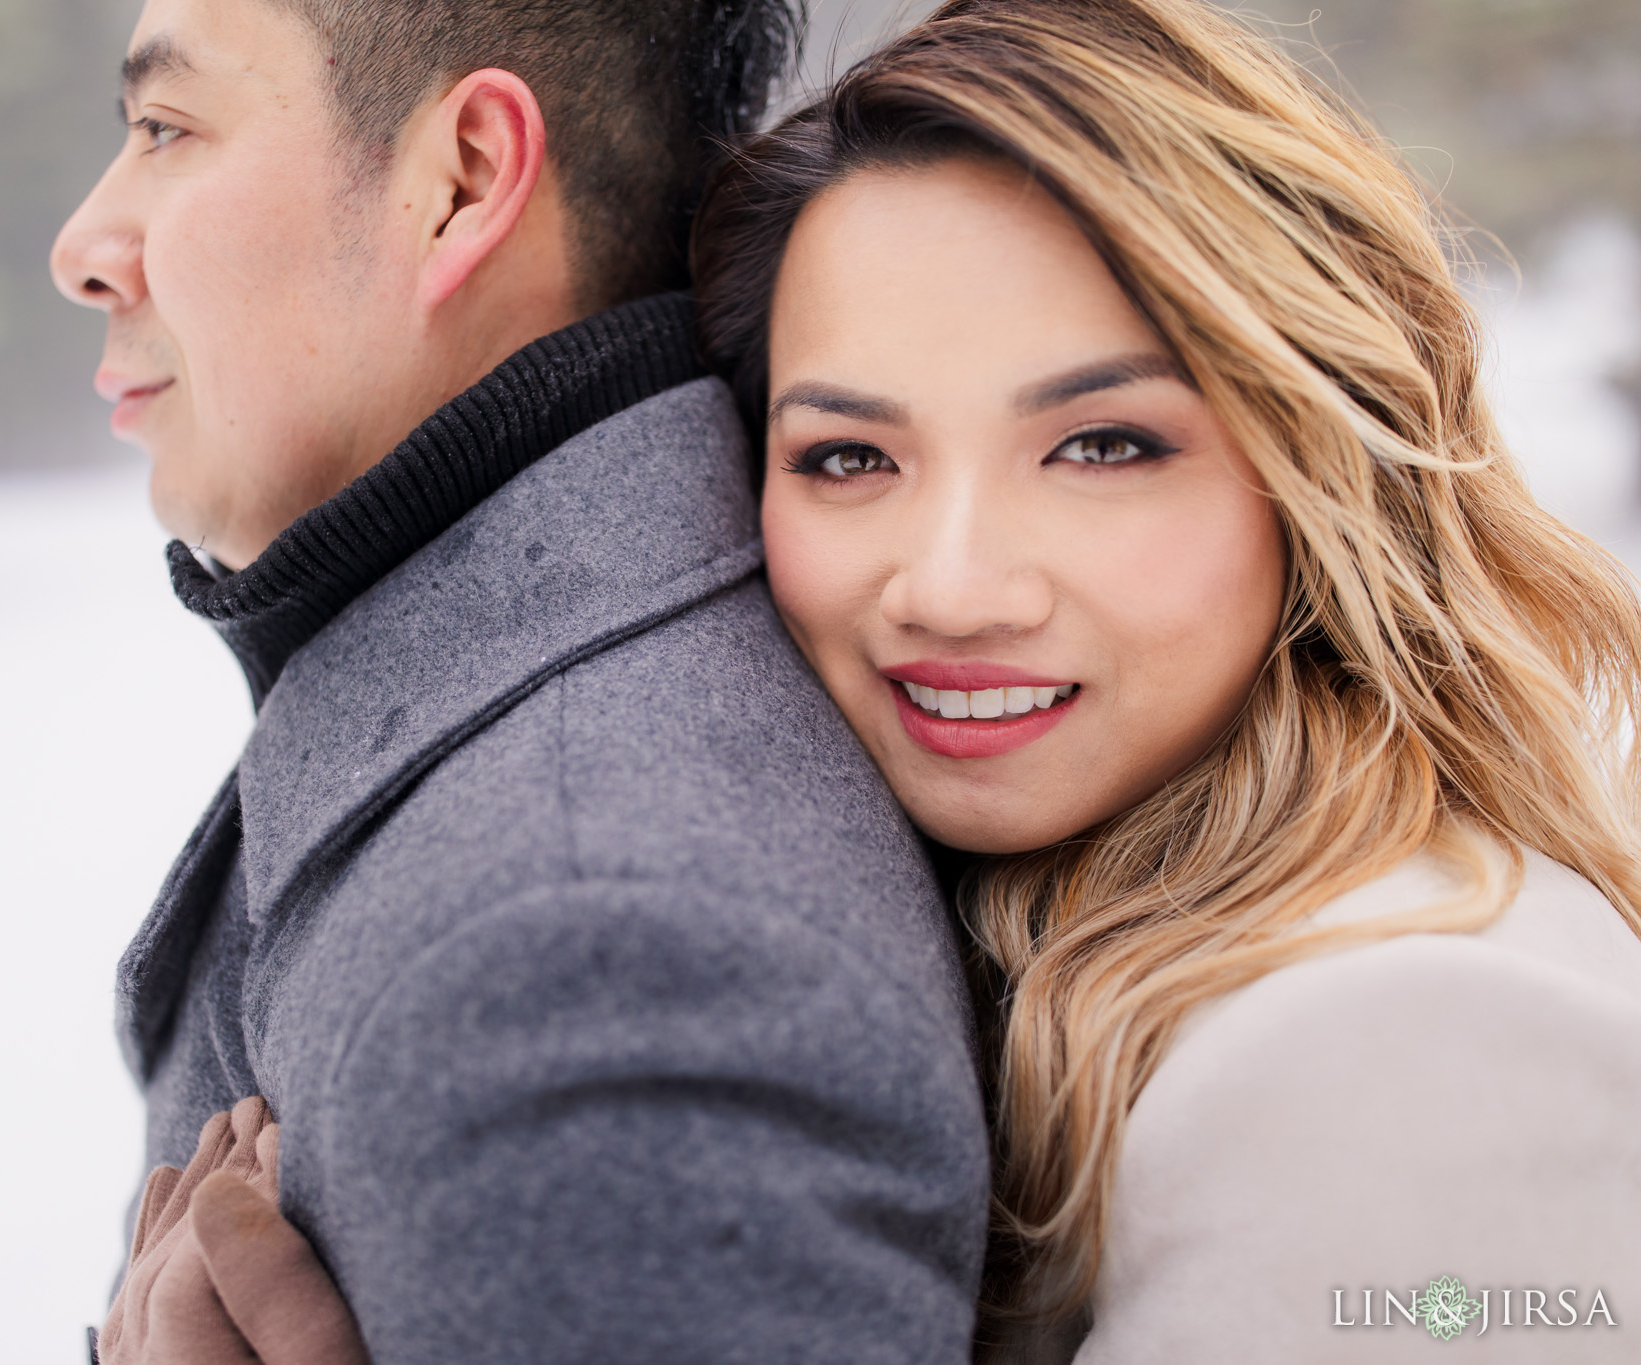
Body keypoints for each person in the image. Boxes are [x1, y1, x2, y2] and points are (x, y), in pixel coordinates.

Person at [689, 0, 1641, 1360]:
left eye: (1103, 446)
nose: (952, 587)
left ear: (1318, 466)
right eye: (849, 456)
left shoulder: (1404, 1040)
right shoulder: (1041, 946)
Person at [49, 0, 991, 1361]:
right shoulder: (522, 738)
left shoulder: (595, 971)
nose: (85, 244)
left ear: (466, 181)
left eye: (165, 128)